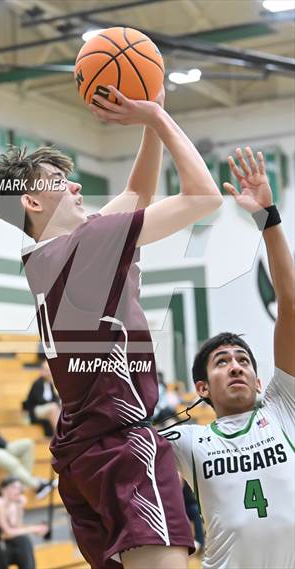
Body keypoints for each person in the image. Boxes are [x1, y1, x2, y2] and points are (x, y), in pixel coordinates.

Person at [0, 85, 223, 568]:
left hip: (82, 454)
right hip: (121, 446)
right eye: (58, 180)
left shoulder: (47, 255)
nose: (74, 186)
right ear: (31, 201)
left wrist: (151, 126)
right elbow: (204, 196)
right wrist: (156, 118)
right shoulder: (85, 245)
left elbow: (137, 194)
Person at [164, 147, 294, 569]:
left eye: (243, 360)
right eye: (221, 362)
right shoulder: (187, 441)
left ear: (260, 381)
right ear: (201, 389)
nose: (236, 365)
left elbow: (289, 305)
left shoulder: (283, 408)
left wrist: (268, 217)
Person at [0, 478, 48, 569]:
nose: (18, 491)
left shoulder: (13, 505)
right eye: (14, 487)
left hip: (5, 545)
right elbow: (7, 533)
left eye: (19, 488)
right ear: (3, 489)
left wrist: (19, 508)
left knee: (23, 542)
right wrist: (33, 529)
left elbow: (17, 528)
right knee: (23, 541)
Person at [23, 359, 60, 436]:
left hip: (49, 409)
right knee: (53, 408)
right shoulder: (37, 383)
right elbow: (40, 400)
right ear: (42, 371)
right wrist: (54, 404)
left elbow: (56, 398)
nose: (49, 373)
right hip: (37, 410)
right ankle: (59, 436)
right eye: (47, 370)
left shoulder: (51, 383)